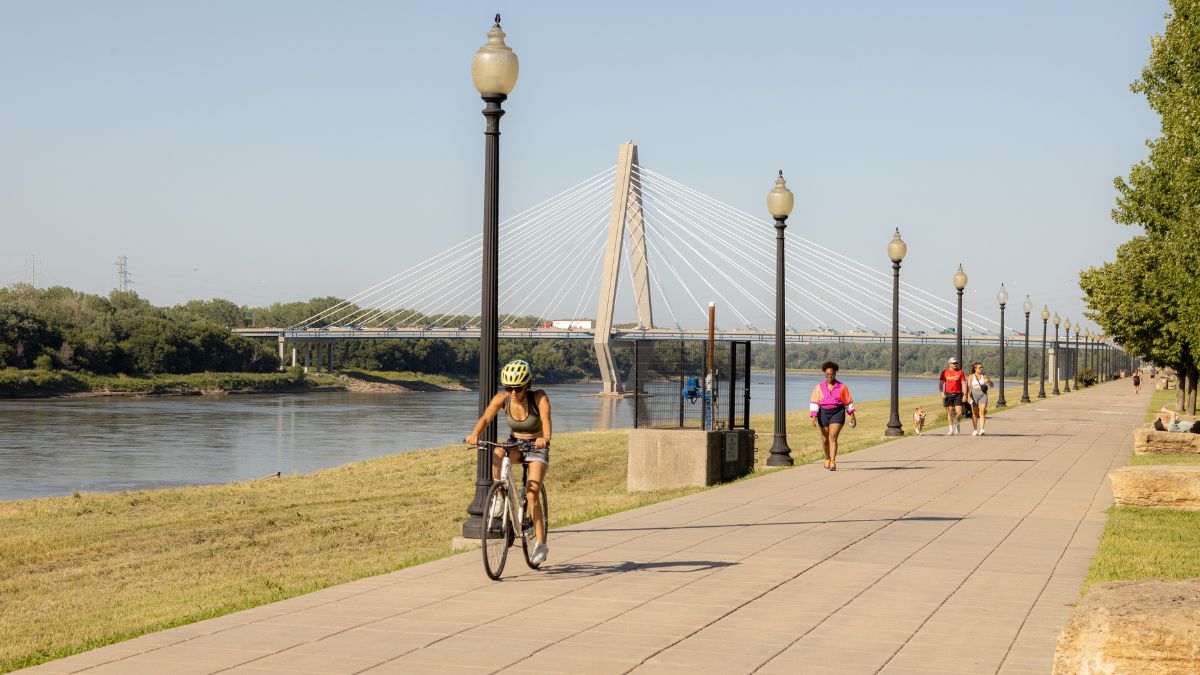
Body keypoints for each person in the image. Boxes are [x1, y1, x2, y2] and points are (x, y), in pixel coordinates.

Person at [466, 359, 552, 564]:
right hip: (516, 443)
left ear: (527, 385)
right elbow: (486, 418)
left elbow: (547, 421)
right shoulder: (502, 399)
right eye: (509, 387)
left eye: (518, 388)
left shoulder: (538, 398)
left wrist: (545, 438)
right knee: (497, 451)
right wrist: (474, 434)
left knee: (532, 495)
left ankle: (541, 544)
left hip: (536, 448)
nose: (513, 392)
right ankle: (501, 495)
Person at [809, 361, 856, 471]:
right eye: (827, 374)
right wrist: (814, 416)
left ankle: (833, 462)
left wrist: (852, 415)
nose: (830, 376)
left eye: (832, 374)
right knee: (824, 439)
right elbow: (814, 402)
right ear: (825, 374)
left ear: (835, 374)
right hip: (823, 413)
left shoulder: (842, 386)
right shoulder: (819, 387)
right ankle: (827, 458)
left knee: (832, 437)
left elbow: (848, 402)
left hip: (837, 412)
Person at [939, 356, 967, 435]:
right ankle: (951, 430)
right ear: (949, 364)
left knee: (960, 413)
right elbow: (941, 383)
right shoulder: (945, 372)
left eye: (956, 363)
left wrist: (965, 394)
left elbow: (963, 383)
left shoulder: (960, 372)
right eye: (953, 363)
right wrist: (941, 392)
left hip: (958, 394)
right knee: (950, 413)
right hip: (948, 394)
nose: (955, 364)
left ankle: (957, 422)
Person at [967, 361, 993, 436]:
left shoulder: (984, 376)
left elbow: (992, 385)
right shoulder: (971, 376)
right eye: (979, 367)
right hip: (974, 395)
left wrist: (989, 381)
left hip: (983, 395)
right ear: (975, 369)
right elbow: (968, 387)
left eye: (981, 367)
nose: (981, 368)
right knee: (974, 413)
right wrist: (968, 396)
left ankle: (982, 429)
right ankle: (975, 430)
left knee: (982, 411)